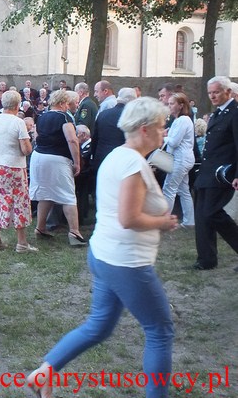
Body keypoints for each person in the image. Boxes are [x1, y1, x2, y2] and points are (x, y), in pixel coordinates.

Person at [27, 97, 178, 398]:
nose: (165, 133)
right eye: (162, 127)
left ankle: (44, 373)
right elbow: (129, 218)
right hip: (127, 261)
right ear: (145, 129)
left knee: (99, 326)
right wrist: (162, 222)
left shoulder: (118, 156)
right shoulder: (131, 163)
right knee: (160, 330)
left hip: (106, 254)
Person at [192, 76, 238, 270]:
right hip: (206, 172)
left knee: (212, 213)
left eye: (216, 92)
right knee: (202, 216)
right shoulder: (218, 113)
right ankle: (206, 259)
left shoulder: (235, 113)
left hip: (222, 174)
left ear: (228, 92)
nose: (212, 96)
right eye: (210, 93)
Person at [30, 90, 86, 246]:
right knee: (68, 195)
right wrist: (77, 162)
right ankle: (74, 232)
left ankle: (40, 228)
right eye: (67, 103)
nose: (68, 106)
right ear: (62, 103)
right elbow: (72, 140)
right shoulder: (64, 117)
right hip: (57, 158)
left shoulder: (41, 116)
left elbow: (36, 137)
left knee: (45, 194)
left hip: (39, 156)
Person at [0, 91, 36, 252]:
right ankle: (21, 243)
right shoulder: (18, 122)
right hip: (13, 166)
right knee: (18, 202)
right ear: (18, 105)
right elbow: (26, 150)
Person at [162, 93, 195, 228]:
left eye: (172, 103)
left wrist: (163, 137)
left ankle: (165, 221)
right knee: (183, 190)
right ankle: (189, 221)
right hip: (183, 159)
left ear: (181, 105)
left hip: (180, 159)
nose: (169, 106)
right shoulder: (180, 120)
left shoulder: (182, 120)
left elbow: (174, 142)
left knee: (168, 189)